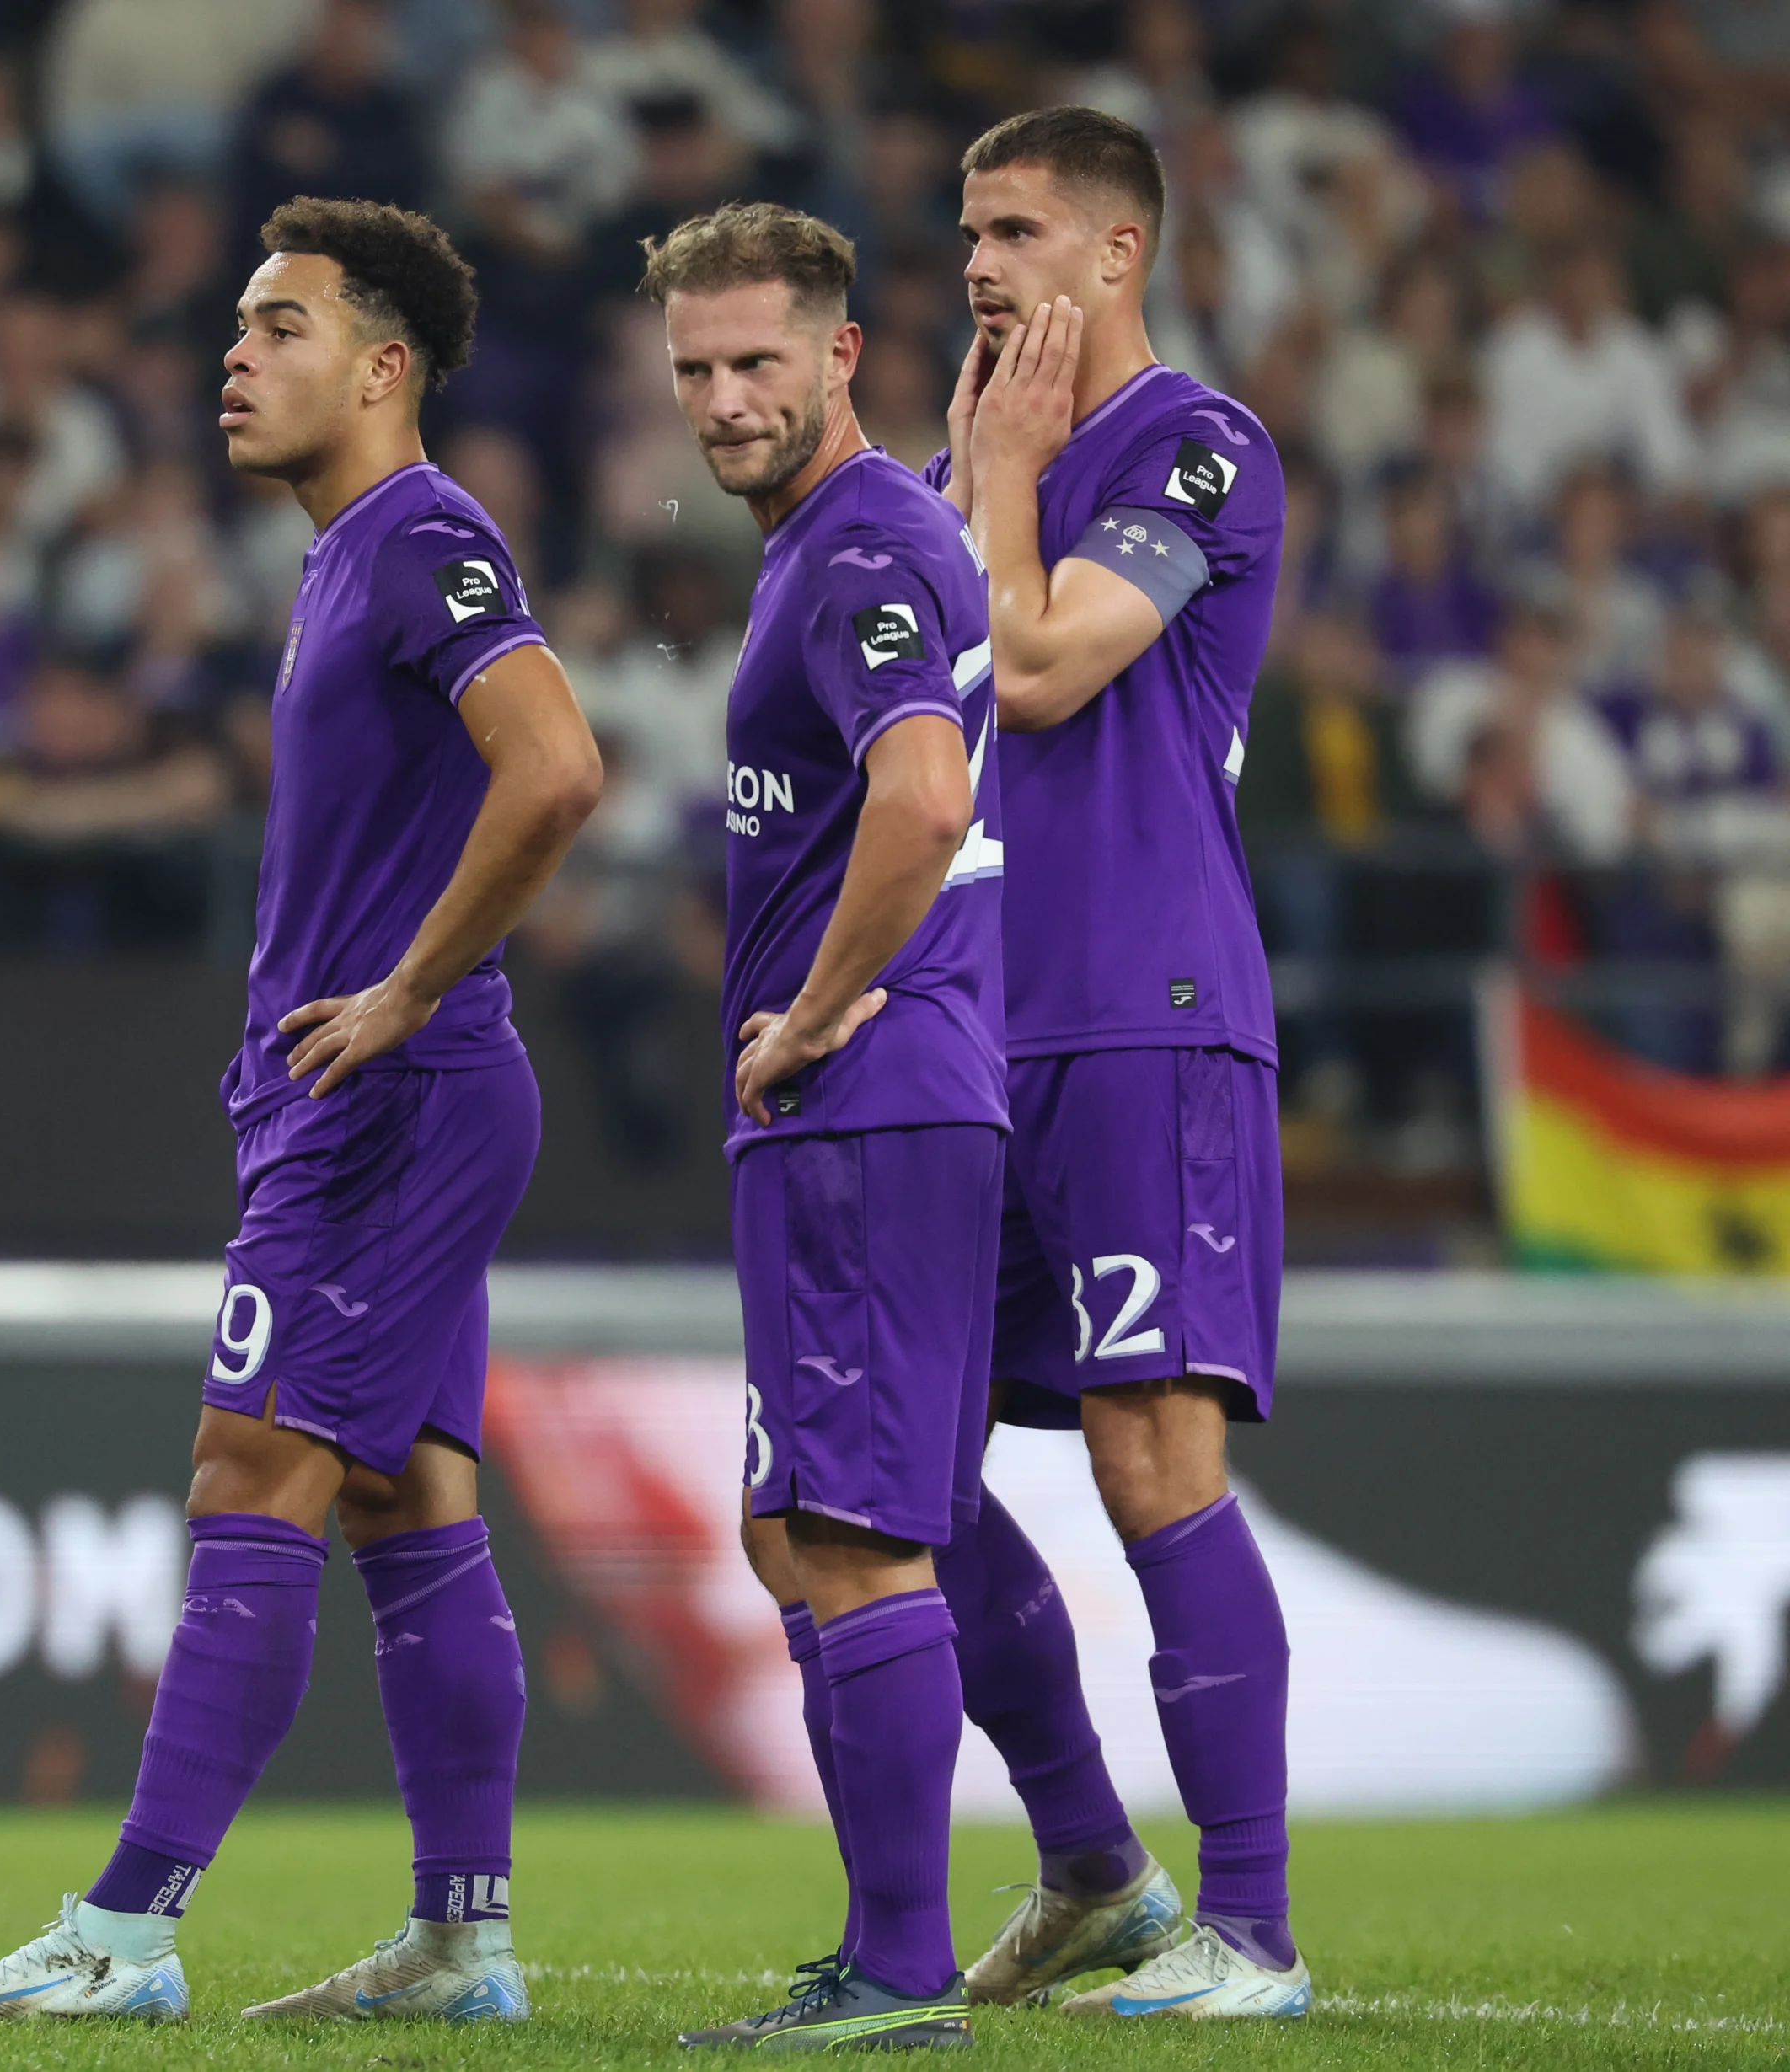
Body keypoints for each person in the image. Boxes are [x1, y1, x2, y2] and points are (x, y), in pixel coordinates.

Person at [0, 196, 600, 2025]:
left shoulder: (423, 533)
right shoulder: (343, 555)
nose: (234, 353)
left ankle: (125, 1929)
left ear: (385, 366)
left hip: (392, 1095)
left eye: (278, 325)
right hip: (391, 1093)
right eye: (234, 324)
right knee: (410, 1501)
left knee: (252, 1465)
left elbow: (560, 765)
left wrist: (408, 987)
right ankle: (464, 1940)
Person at [923, 106, 1307, 2020]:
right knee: (886, 1469)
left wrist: (999, 480)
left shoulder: (1195, 444)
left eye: (1017, 229)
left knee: (1154, 1455)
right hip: (963, 1033)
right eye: (968, 231)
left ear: (1118, 251)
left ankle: (1252, 1929)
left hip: (1144, 1015)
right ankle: (1094, 1866)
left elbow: (1057, 657)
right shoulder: (949, 466)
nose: (979, 264)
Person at [637, 203, 1000, 2053]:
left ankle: (901, 1972)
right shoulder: (823, 546)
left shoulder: (860, 543)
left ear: (845, 354)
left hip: (865, 1096)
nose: (722, 398)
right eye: (694, 367)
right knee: (802, 1528)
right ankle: (891, 1945)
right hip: (867, 1107)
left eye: (758, 359)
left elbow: (923, 797)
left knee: (852, 1537)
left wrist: (818, 1000)